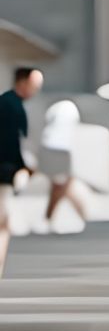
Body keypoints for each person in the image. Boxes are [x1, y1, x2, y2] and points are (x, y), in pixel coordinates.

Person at [0, 66, 42, 277]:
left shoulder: (7, 102)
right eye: (34, 85)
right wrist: (24, 167)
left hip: (5, 168)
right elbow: (13, 143)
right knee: (3, 222)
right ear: (23, 82)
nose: (35, 90)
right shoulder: (13, 106)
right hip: (4, 170)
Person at [37, 99, 91, 232]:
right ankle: (85, 218)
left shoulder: (61, 110)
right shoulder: (65, 110)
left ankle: (48, 219)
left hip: (59, 151)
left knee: (62, 188)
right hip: (60, 152)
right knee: (63, 188)